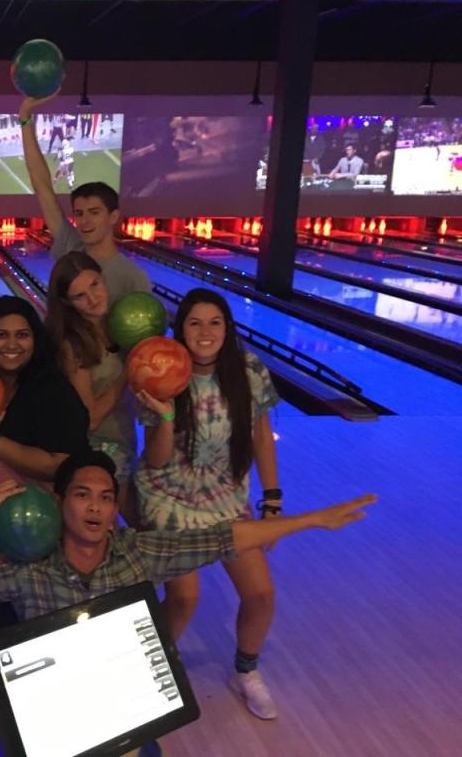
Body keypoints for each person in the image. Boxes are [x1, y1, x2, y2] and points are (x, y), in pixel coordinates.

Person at [0, 451, 374, 756]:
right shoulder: (31, 567)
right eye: (83, 495)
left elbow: (223, 538)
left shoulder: (138, 553)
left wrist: (312, 520)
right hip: (55, 713)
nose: (95, 507)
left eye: (106, 498)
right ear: (60, 502)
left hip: (119, 711)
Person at [133, 288, 284, 721]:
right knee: (185, 599)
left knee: (261, 594)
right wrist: (165, 416)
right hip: (169, 498)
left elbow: (261, 436)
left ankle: (245, 672)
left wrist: (272, 499)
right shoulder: (162, 371)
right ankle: (152, 670)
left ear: (227, 328)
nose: (205, 331)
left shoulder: (249, 370)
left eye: (214, 322)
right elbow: (156, 459)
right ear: (180, 328)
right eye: (194, 322)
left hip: (226, 498)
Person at [0, 296, 89, 507]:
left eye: (22, 335)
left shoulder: (55, 391)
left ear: (35, 341)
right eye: (1, 335)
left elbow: (58, 466)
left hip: (38, 516)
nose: (12, 344)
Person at [19, 92, 151, 304]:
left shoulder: (133, 278)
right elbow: (42, 185)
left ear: (113, 216)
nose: (85, 221)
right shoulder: (71, 247)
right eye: (79, 214)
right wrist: (25, 117)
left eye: (94, 212)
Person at [45, 252, 137, 522]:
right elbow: (91, 418)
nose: (93, 298)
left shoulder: (120, 325)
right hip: (98, 451)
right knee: (127, 527)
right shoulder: (72, 345)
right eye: (80, 296)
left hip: (124, 440)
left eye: (95, 284)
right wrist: (129, 372)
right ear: (67, 302)